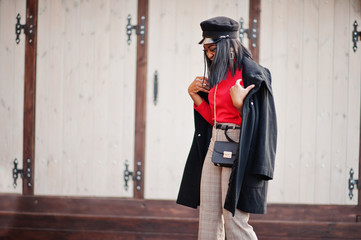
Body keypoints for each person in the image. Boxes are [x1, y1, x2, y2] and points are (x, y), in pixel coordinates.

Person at [177, 16, 277, 239]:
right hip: (216, 142)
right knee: (209, 218)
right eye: (206, 50)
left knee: (234, 219)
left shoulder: (253, 73)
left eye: (213, 49)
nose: (210, 55)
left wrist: (241, 105)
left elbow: (263, 123)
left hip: (240, 144)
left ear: (228, 45)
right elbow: (215, 119)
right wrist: (195, 96)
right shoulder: (217, 75)